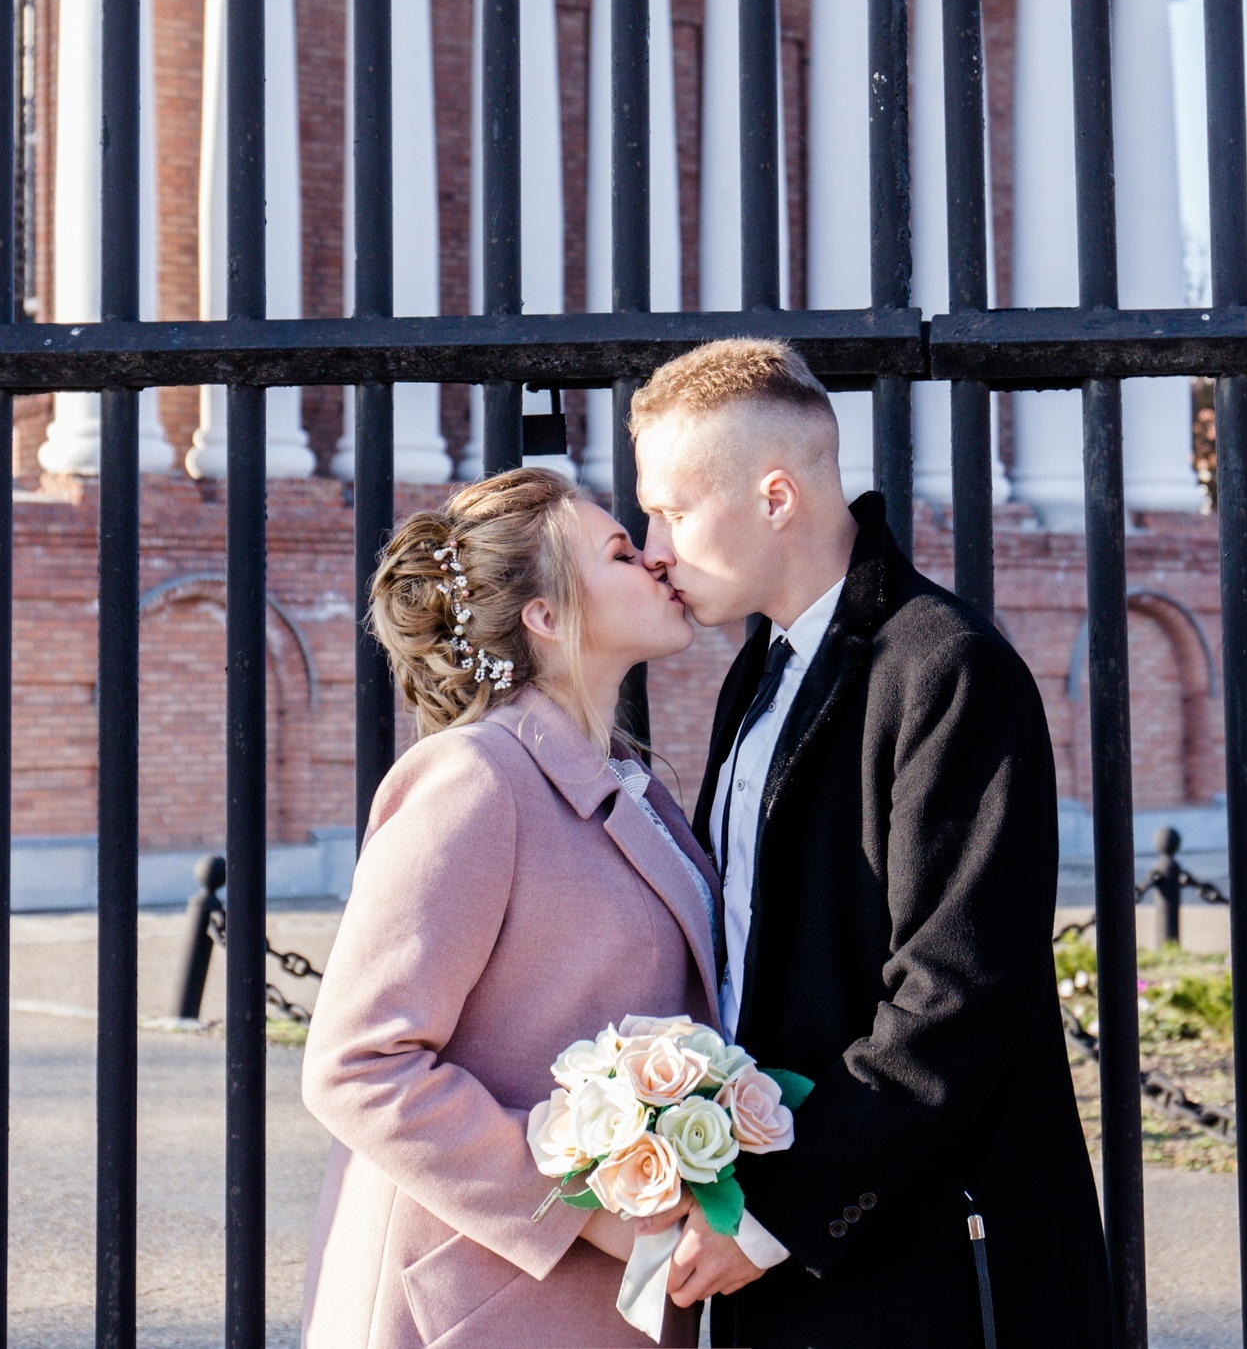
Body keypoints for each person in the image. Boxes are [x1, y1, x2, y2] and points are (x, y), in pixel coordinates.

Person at [630, 339, 1111, 1348]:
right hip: (789, 1253)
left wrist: (777, 1213)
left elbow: (961, 989)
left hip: (924, 1258)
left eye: (671, 510)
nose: (653, 547)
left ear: (774, 497)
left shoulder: (948, 668)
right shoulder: (756, 671)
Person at [299, 467, 723, 1348]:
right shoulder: (475, 778)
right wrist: (584, 1208)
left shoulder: (631, 783)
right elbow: (357, 1063)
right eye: (619, 552)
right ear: (546, 616)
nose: (654, 559)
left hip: (602, 1303)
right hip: (479, 1302)